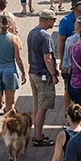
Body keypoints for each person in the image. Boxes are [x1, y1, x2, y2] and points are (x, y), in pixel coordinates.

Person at [0, 13, 26, 144]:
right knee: (10, 106)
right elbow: (18, 59)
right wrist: (24, 72)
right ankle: (9, 131)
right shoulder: (13, 39)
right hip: (9, 70)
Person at [27, 10, 59, 146]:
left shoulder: (31, 32)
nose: (53, 22)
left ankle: (36, 133)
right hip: (43, 75)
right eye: (53, 20)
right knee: (43, 106)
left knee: (36, 104)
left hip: (33, 72)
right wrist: (53, 74)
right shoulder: (45, 36)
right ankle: (38, 137)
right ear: (47, 20)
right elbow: (48, 57)